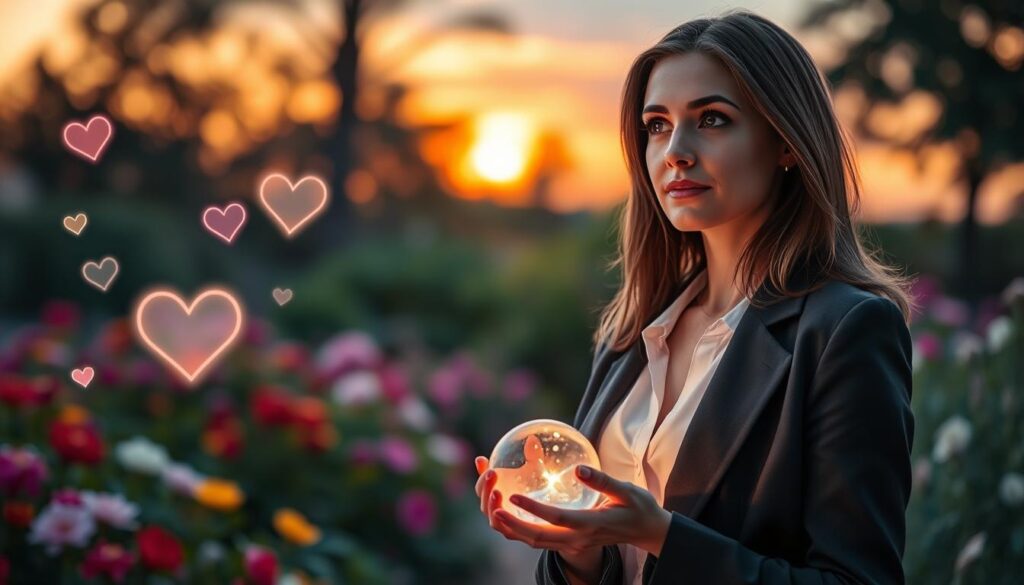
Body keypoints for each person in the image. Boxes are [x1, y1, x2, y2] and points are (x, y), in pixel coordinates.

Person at [474, 9, 917, 585]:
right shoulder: (633, 332)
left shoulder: (847, 329)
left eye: (711, 119)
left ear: (785, 141)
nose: (675, 151)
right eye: (657, 125)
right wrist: (578, 556)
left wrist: (658, 534)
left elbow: (859, 580)